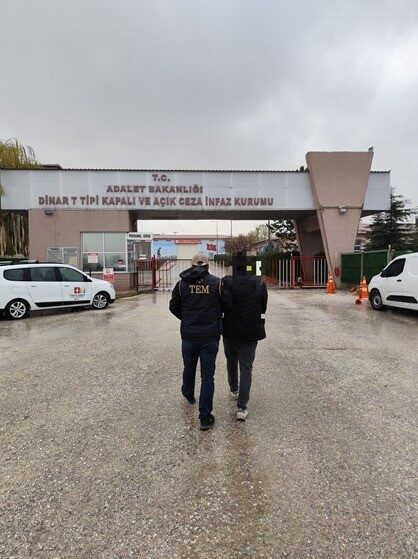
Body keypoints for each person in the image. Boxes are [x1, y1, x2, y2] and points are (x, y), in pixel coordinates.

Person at [169, 253, 221, 430]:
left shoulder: (181, 284)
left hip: (189, 335)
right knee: (207, 377)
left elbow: (173, 306)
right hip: (210, 336)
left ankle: (189, 394)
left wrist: (187, 319)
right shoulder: (217, 283)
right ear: (208, 266)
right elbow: (225, 305)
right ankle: (205, 417)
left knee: (189, 368)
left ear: (192, 266)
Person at [221, 254, 268, 421]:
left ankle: (234, 389)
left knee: (231, 361)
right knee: (246, 368)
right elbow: (263, 306)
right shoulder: (258, 282)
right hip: (251, 330)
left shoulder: (226, 282)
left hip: (230, 330)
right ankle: (242, 407)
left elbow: (224, 305)